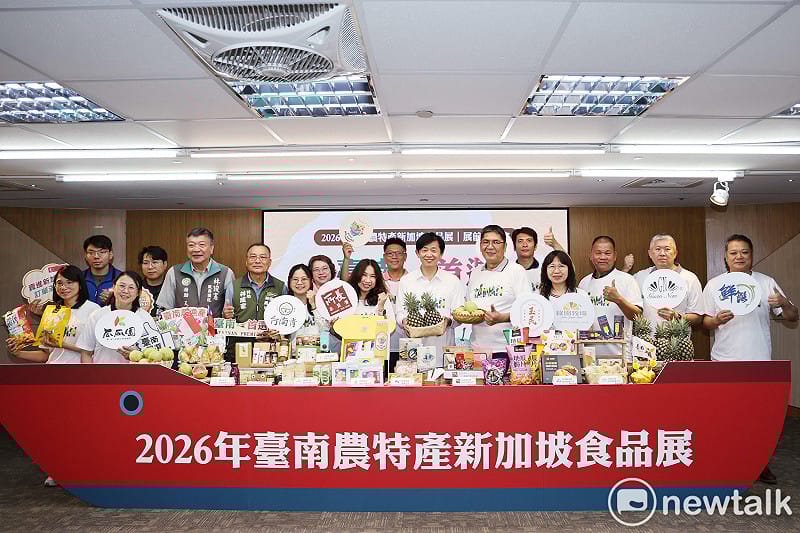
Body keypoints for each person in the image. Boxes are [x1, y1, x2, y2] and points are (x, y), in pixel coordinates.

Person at [702, 234, 798, 485]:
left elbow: (792, 316)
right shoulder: (714, 285)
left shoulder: (766, 282)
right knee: (726, 417)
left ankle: (760, 464)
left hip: (759, 362)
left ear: (751, 255)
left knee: (758, 418)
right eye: (733, 253)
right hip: (724, 362)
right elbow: (705, 321)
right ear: (725, 257)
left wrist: (784, 302)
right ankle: (727, 462)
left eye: (744, 252)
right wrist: (716, 320)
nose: (739, 257)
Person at [396, 233, 466, 367]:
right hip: (413, 352)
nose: (429, 254)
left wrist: (448, 321)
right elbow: (400, 312)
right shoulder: (406, 281)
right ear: (417, 253)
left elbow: (459, 314)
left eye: (434, 250)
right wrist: (404, 321)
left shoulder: (452, 281)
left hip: (444, 352)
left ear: (441, 253)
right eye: (424, 250)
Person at [467, 224, 532, 358]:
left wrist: (502, 318)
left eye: (496, 242)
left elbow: (527, 310)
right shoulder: (475, 272)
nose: (490, 247)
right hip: (477, 349)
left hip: (506, 349)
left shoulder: (516, 271)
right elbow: (469, 306)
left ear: (505, 246)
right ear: (480, 246)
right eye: (485, 242)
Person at [578, 236, 643, 356]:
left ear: (615, 256)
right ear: (591, 256)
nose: (602, 257)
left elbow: (637, 315)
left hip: (620, 355)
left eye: (607, 253)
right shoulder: (584, 283)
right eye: (598, 253)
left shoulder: (627, 280)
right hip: (589, 356)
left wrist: (619, 300)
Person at [78, 271, 156, 364]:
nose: (125, 291)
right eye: (122, 286)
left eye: (131, 287)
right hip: (101, 372)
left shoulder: (145, 318)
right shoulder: (98, 315)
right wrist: (92, 373)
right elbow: (86, 353)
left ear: (138, 293)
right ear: (114, 287)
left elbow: (152, 355)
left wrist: (137, 356)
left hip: (134, 373)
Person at [155, 227, 234, 318]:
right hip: (181, 327)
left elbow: (230, 310)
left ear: (211, 248)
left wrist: (226, 314)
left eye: (202, 245)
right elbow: (166, 308)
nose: (196, 249)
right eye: (191, 245)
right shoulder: (174, 272)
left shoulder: (226, 273)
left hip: (213, 326)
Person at [632, 234, 703, 331]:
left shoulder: (690, 278)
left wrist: (677, 317)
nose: (662, 253)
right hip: (645, 339)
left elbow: (698, 317)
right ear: (650, 253)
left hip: (677, 339)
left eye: (667, 249)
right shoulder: (640, 277)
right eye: (657, 249)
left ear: (675, 253)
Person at [222, 243, 283, 350]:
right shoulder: (233, 286)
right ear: (246, 261)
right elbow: (227, 321)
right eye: (253, 257)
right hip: (240, 347)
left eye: (263, 257)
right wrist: (226, 316)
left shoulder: (280, 287)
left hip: (270, 347)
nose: (257, 261)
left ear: (269, 262)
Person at [513, 226, 564, 292]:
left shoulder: (546, 267)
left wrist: (555, 244)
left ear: (535, 246)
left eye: (529, 240)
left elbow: (569, 269)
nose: (525, 245)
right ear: (514, 247)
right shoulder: (509, 269)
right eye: (520, 241)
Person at [307, 254, 341, 355]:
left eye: (325, 268)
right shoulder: (306, 292)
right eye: (316, 270)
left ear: (331, 270)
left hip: (335, 346)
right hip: (309, 346)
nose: (321, 272)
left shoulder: (340, 290)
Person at [82, 235, 122, 305]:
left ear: (110, 254)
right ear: (85, 256)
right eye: (91, 252)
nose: (96, 256)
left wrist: (114, 299)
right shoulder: (78, 278)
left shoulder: (121, 277)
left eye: (102, 252)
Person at [138, 245, 168, 316]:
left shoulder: (172, 288)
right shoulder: (136, 288)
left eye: (155, 262)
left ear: (165, 264)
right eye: (146, 263)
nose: (150, 267)